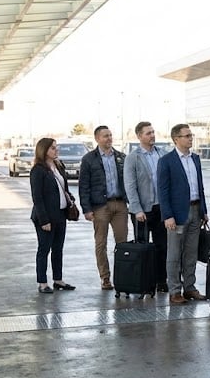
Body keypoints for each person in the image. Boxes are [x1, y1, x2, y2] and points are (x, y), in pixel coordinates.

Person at [158, 123, 209, 304]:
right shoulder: (166, 161)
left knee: (191, 253)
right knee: (174, 254)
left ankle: (190, 288)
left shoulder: (195, 158)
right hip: (177, 214)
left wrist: (204, 210)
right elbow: (162, 191)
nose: (190, 138)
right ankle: (174, 291)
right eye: (187, 136)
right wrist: (167, 215)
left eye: (191, 135)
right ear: (176, 139)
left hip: (196, 211)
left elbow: (200, 186)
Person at [78, 125, 128, 290]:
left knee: (122, 243)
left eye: (110, 135)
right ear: (97, 139)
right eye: (105, 136)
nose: (109, 138)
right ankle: (105, 278)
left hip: (120, 204)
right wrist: (86, 209)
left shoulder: (121, 157)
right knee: (101, 243)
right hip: (100, 206)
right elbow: (83, 186)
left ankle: (123, 277)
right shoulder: (89, 159)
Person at [124, 121, 168, 293]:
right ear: (139, 136)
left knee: (162, 246)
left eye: (152, 132)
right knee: (142, 247)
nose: (152, 135)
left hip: (161, 208)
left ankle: (161, 280)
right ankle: (143, 281)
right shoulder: (132, 158)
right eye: (148, 133)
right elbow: (130, 185)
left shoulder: (162, 154)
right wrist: (137, 209)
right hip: (142, 210)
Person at [29, 137, 76, 293]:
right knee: (44, 249)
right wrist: (44, 220)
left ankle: (58, 280)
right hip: (46, 217)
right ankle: (42, 282)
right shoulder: (38, 170)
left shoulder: (58, 166)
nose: (57, 150)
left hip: (61, 215)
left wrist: (70, 197)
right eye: (53, 148)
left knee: (58, 249)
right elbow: (37, 197)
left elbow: (64, 188)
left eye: (56, 147)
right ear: (44, 150)